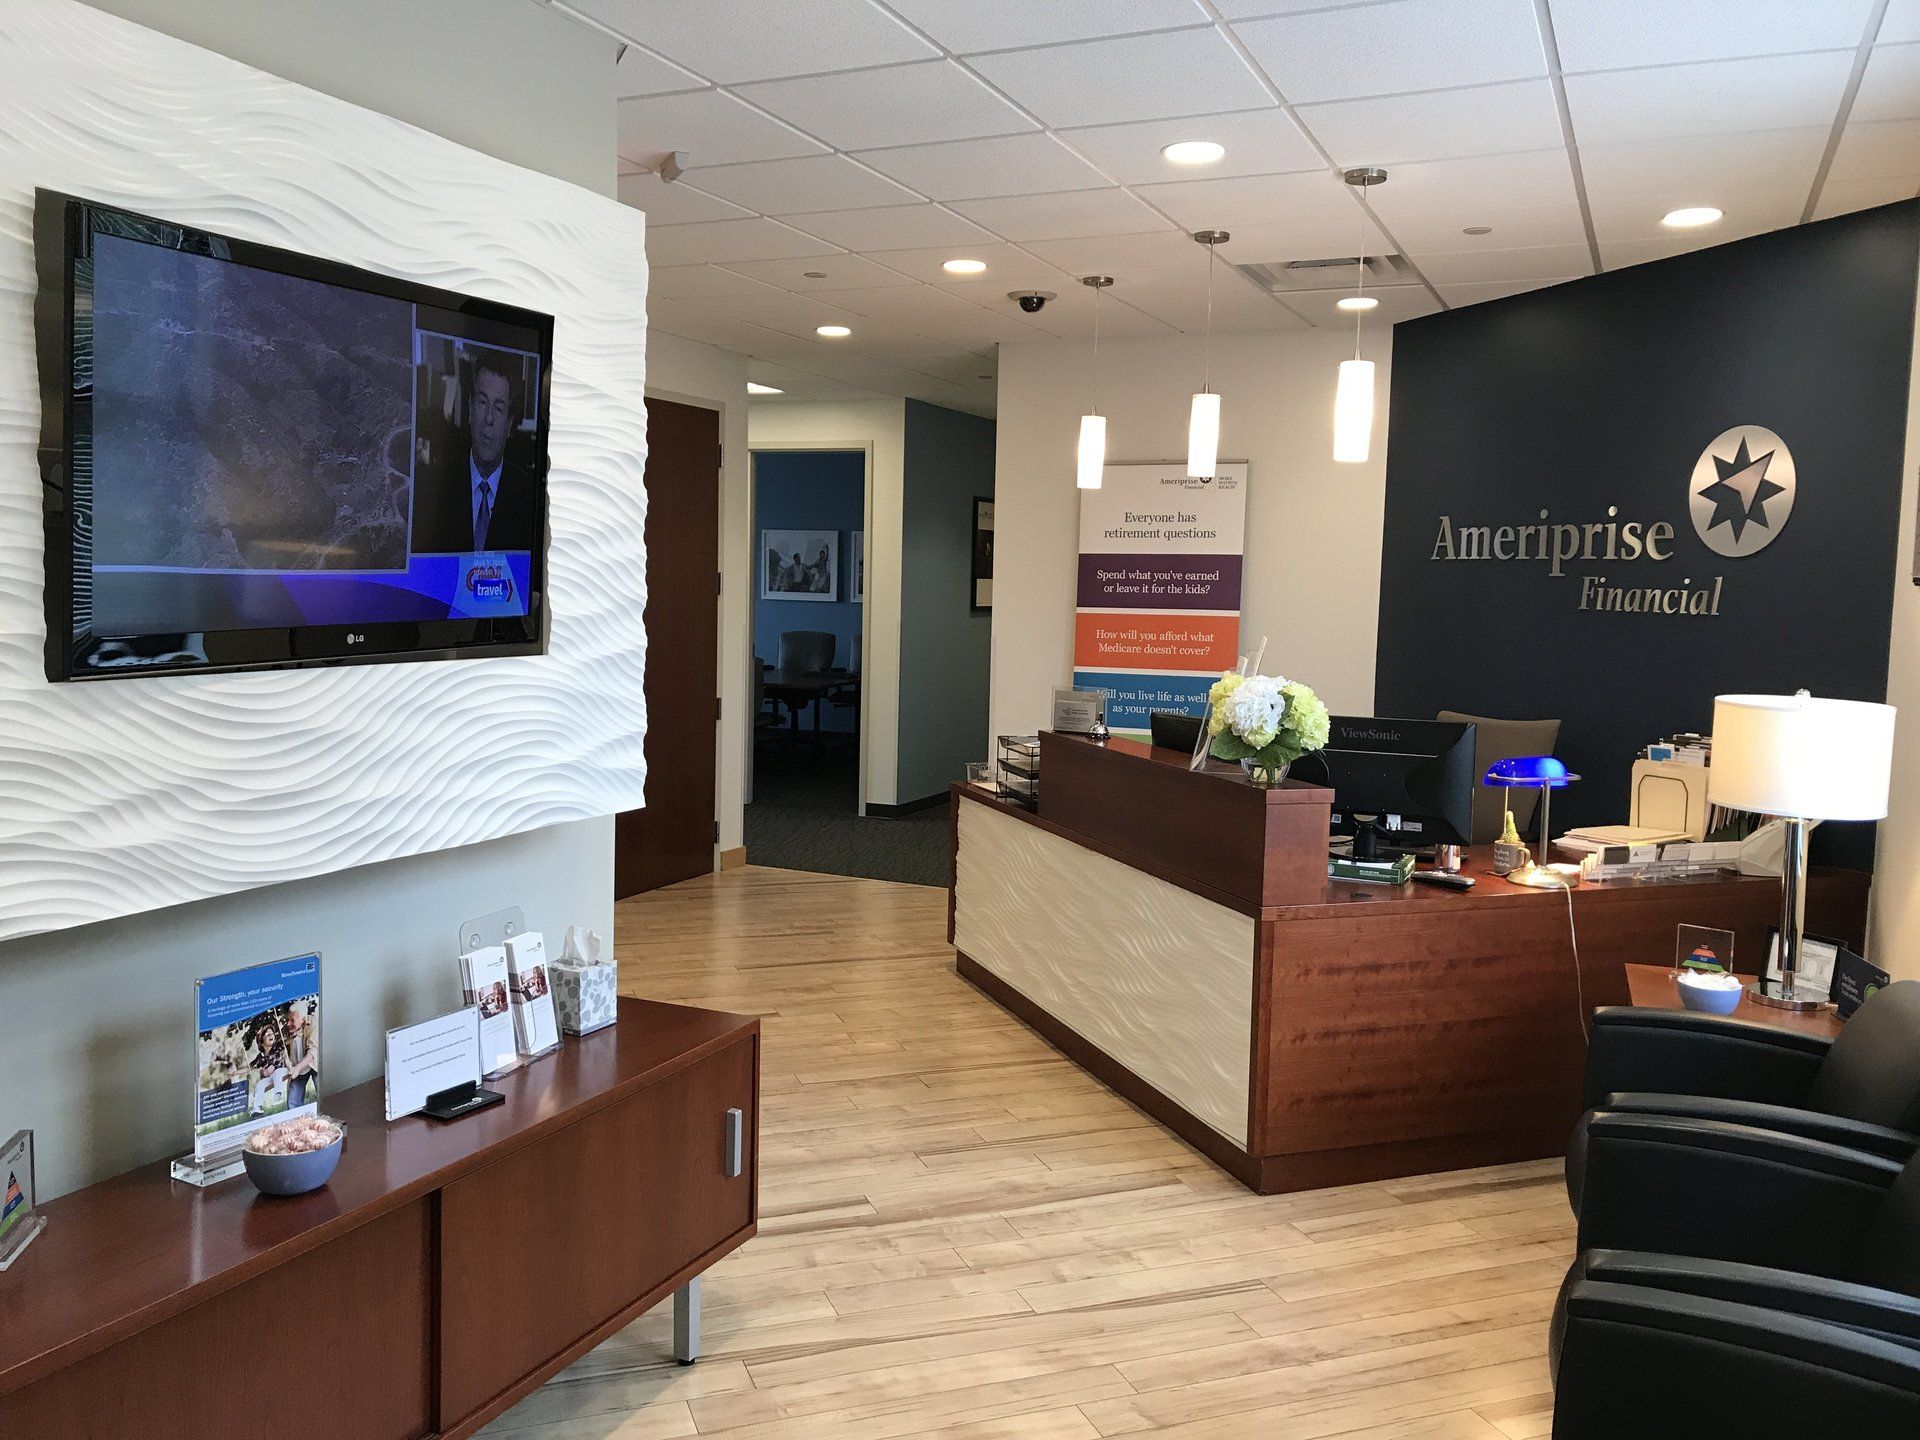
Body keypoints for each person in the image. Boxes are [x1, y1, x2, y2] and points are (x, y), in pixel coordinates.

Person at [411, 348, 540, 554]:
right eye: (482, 403)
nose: (489, 418)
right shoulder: (431, 488)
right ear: (470, 410)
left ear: (508, 424)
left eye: (498, 408)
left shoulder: (530, 500)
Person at [281, 999, 319, 1111]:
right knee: (292, 1104)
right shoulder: (285, 1030)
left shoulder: (313, 1023)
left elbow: (313, 1051)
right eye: (287, 1020)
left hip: (313, 1064)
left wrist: (298, 1067)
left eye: (292, 1020)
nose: (288, 1024)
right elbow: (282, 1052)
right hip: (297, 1067)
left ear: (302, 1019)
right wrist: (291, 1067)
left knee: (323, 1094)